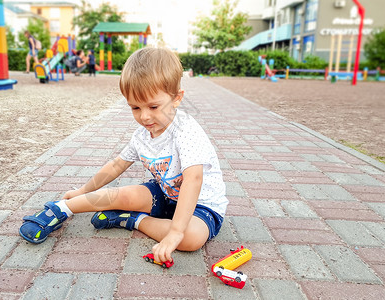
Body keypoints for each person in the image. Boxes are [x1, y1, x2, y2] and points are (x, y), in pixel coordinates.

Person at [19, 47, 228, 264]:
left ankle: (132, 219)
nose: (145, 116)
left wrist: (175, 232)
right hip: (166, 195)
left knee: (191, 238)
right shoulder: (142, 135)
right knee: (121, 195)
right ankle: (61, 209)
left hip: (202, 206)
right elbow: (116, 165)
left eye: (153, 106)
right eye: (135, 107)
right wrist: (82, 191)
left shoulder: (185, 129)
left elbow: (193, 179)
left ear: (176, 98)